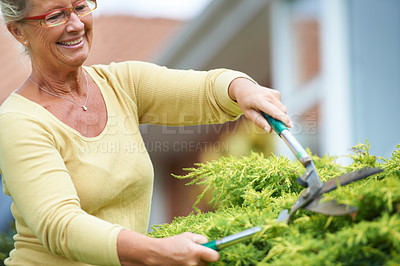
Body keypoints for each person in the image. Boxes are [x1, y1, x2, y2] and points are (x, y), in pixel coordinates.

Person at [0, 0, 293, 265]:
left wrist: (242, 88)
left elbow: (206, 90)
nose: (76, 25)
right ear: (18, 31)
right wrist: (158, 251)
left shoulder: (122, 83)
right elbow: (60, 225)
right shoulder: (18, 121)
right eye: (55, 16)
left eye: (80, 7)